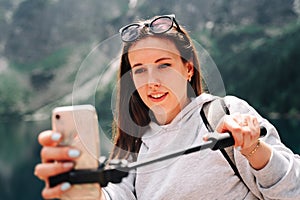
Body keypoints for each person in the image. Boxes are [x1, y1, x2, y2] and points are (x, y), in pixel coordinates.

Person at [34, 14, 300, 200]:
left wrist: (255, 150)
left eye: (163, 65)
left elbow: (294, 190)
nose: (152, 82)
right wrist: (88, 193)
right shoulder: (134, 144)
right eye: (139, 71)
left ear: (187, 69)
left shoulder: (226, 113)